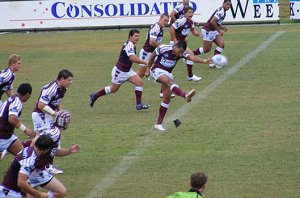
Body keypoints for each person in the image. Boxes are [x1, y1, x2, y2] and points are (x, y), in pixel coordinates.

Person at [145, 40, 211, 131]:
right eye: (180, 51)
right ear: (176, 46)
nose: (180, 54)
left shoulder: (181, 53)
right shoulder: (164, 48)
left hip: (167, 73)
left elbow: (192, 58)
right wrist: (148, 69)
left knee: (166, 99)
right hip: (157, 71)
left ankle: (158, 124)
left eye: (182, 52)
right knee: (170, 82)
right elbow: (153, 55)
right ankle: (184, 95)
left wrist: (204, 61)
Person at [89, 29, 150, 110]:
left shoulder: (132, 44)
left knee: (139, 82)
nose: (137, 38)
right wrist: (145, 62)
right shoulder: (129, 45)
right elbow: (132, 58)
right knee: (113, 89)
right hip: (120, 72)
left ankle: (139, 105)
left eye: (138, 36)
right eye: (135, 36)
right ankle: (95, 95)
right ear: (130, 36)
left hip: (127, 71)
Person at [27, 110, 80, 197]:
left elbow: (56, 152)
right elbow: (36, 140)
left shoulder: (56, 132)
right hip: (36, 169)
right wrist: (31, 160)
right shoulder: (54, 133)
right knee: (61, 191)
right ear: (66, 123)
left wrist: (69, 151)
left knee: (33, 194)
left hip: (36, 168)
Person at [31, 69, 73, 173]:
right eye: (69, 80)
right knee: (51, 138)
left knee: (40, 140)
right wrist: (55, 114)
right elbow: (41, 105)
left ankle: (32, 161)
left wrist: (60, 112)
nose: (70, 82)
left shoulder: (63, 88)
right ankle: (48, 165)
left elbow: (57, 101)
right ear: (62, 79)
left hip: (46, 115)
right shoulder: (50, 88)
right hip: (41, 115)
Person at [0, 83, 36, 160]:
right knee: (25, 158)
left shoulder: (12, 98)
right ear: (27, 94)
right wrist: (26, 130)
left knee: (23, 155)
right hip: (3, 136)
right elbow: (12, 119)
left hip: (7, 135)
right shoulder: (17, 101)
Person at [193, 0, 232, 68]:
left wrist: (222, 27)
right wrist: (219, 30)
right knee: (206, 49)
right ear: (223, 3)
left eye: (230, 5)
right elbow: (212, 22)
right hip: (208, 30)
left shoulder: (223, 11)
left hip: (213, 30)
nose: (228, 6)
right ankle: (189, 55)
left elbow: (216, 23)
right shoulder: (221, 11)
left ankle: (214, 62)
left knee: (221, 44)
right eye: (227, 4)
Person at [170, 6, 202, 81]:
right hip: (176, 44)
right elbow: (172, 28)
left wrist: (197, 34)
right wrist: (175, 40)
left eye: (192, 12)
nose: (191, 14)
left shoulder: (191, 22)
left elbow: (193, 31)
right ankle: (156, 68)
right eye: (189, 12)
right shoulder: (181, 20)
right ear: (185, 13)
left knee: (190, 54)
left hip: (182, 45)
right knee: (171, 59)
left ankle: (190, 76)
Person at [137, 14, 169, 78]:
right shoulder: (156, 27)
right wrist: (161, 48)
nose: (166, 22)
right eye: (165, 20)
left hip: (152, 53)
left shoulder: (160, 28)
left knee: (163, 67)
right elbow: (152, 42)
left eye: (167, 21)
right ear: (160, 19)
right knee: (140, 75)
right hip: (146, 52)